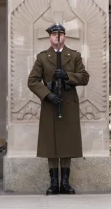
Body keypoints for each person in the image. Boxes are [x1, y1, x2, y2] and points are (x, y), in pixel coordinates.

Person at [27, 23, 90, 195]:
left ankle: (65, 183)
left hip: (68, 103)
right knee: (51, 144)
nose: (57, 37)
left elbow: (85, 77)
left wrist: (68, 76)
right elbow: (32, 81)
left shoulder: (74, 56)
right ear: (50, 37)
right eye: (54, 34)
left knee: (67, 143)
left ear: (64, 37)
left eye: (60, 34)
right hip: (51, 104)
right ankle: (53, 182)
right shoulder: (42, 57)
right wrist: (47, 95)